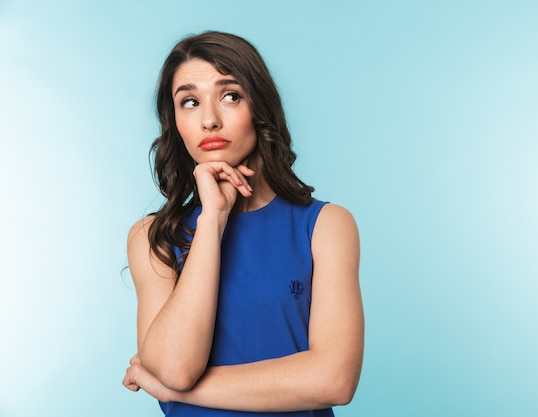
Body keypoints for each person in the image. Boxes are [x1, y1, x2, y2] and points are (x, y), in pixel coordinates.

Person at [122, 31, 364, 416]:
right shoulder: (155, 238)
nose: (209, 120)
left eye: (230, 95)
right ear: (176, 124)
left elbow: (334, 380)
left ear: (260, 105)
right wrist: (213, 218)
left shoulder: (326, 225)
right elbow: (174, 368)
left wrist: (179, 392)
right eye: (189, 102)